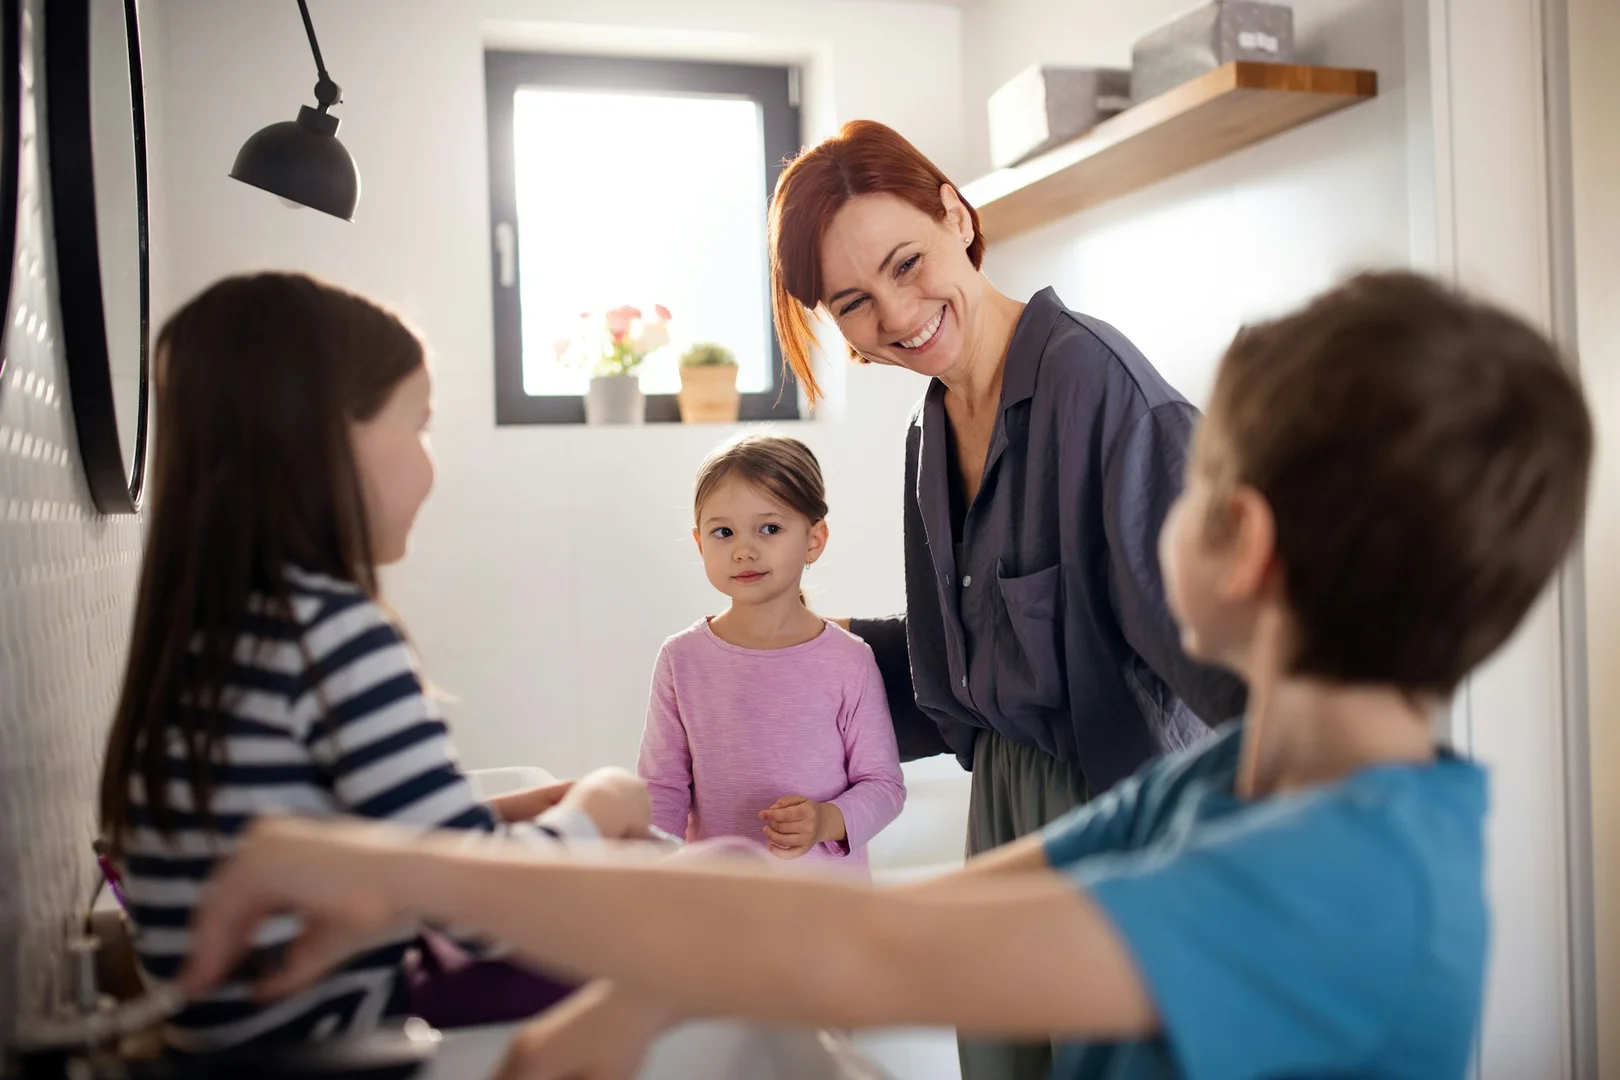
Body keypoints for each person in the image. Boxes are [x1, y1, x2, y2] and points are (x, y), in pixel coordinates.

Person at [178, 271, 1592, 1080]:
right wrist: (658, 981)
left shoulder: (1343, 882)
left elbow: (869, 949)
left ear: (1244, 544)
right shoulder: (1237, 782)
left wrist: (407, 868)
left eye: (1189, 482)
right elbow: (882, 913)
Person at [771, 118, 1248, 1076]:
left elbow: (1231, 672)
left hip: (1121, 820)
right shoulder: (930, 433)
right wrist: (780, 651)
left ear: (955, 212)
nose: (898, 317)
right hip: (1004, 804)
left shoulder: (1101, 392)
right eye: (855, 303)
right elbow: (970, 655)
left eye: (907, 263)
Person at [96, 273, 652, 1051]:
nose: (431, 465)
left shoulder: (209, 640)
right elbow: (484, 903)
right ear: (331, 437)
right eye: (419, 426)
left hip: (252, 1043)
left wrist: (517, 813)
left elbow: (376, 846)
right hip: (353, 1042)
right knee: (725, 883)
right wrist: (602, 802)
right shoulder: (331, 636)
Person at [637, 434, 905, 871]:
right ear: (700, 543)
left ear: (814, 539)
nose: (744, 549)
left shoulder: (849, 661)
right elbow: (661, 789)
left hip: (825, 910)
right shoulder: (681, 660)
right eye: (723, 532)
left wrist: (825, 820)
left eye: (770, 528)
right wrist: (645, 871)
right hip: (720, 905)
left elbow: (884, 786)